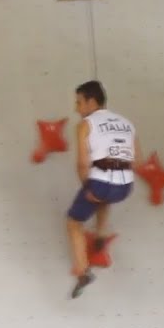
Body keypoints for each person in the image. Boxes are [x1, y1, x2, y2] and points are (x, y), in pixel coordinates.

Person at [66, 80, 142, 298]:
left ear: (91, 101)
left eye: (79, 102)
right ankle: (100, 237)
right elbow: (138, 161)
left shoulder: (86, 124)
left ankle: (83, 272)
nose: (76, 108)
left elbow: (82, 164)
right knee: (104, 199)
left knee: (73, 223)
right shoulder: (127, 123)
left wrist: (88, 187)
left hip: (101, 183)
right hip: (125, 187)